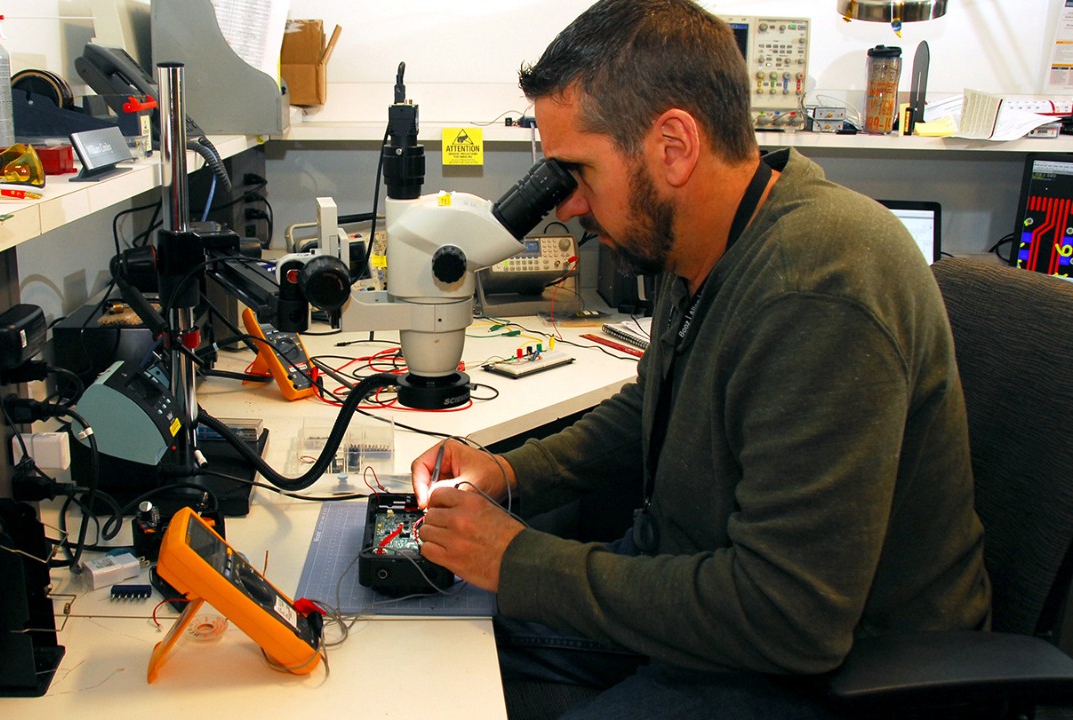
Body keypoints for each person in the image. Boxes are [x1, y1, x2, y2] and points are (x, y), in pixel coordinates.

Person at [410, 0, 991, 717]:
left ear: (674, 146)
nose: (566, 209)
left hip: (826, 670)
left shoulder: (816, 287)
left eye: (579, 173)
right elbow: (651, 409)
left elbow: (789, 618)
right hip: (694, 595)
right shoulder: (711, 240)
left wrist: (518, 559)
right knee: (430, 630)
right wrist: (508, 471)